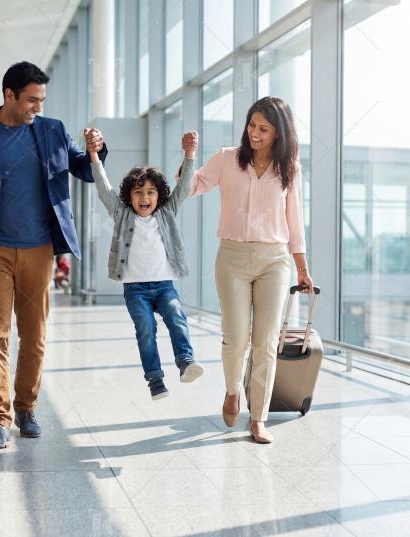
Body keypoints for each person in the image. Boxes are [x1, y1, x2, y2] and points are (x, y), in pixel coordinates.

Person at [0, 61, 108, 450]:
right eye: (31, 100)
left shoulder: (53, 130)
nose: (37, 108)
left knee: (35, 337)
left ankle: (27, 407)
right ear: (9, 95)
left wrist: (97, 150)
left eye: (41, 100)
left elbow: (86, 172)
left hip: (40, 250)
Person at [191, 97, 313, 444]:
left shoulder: (289, 169)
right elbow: (195, 185)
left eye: (263, 128)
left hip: (275, 260)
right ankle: (232, 391)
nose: (254, 133)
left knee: (265, 342)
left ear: (279, 133)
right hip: (232, 257)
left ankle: (258, 417)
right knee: (235, 338)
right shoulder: (228, 158)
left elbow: (295, 221)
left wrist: (302, 269)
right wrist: (188, 159)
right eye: (251, 125)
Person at [87, 129, 204, 399]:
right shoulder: (122, 215)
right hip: (135, 289)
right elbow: (105, 190)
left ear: (158, 196)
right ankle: (155, 380)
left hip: (164, 286)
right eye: (138, 192)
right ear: (129, 196)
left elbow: (185, 186)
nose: (145, 198)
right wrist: (93, 155)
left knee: (176, 316)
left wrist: (190, 154)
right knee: (146, 328)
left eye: (151, 192)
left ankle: (185, 361)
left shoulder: (167, 212)